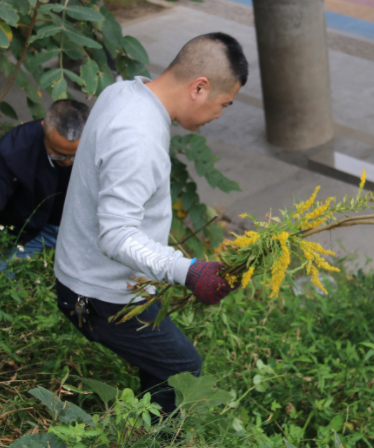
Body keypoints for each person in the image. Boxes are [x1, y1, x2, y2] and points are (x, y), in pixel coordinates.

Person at [54, 32, 249, 415]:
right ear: (199, 87)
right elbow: (116, 234)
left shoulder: (124, 92)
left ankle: (141, 422)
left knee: (162, 366)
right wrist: (189, 271)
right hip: (98, 295)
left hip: (90, 275)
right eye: (224, 105)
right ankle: (154, 436)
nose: (219, 115)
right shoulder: (138, 138)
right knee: (183, 370)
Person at [0, 100, 90, 273]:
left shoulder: (107, 146)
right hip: (32, 230)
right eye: (59, 155)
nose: (67, 162)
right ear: (43, 127)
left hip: (82, 228)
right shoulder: (16, 150)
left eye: (74, 155)